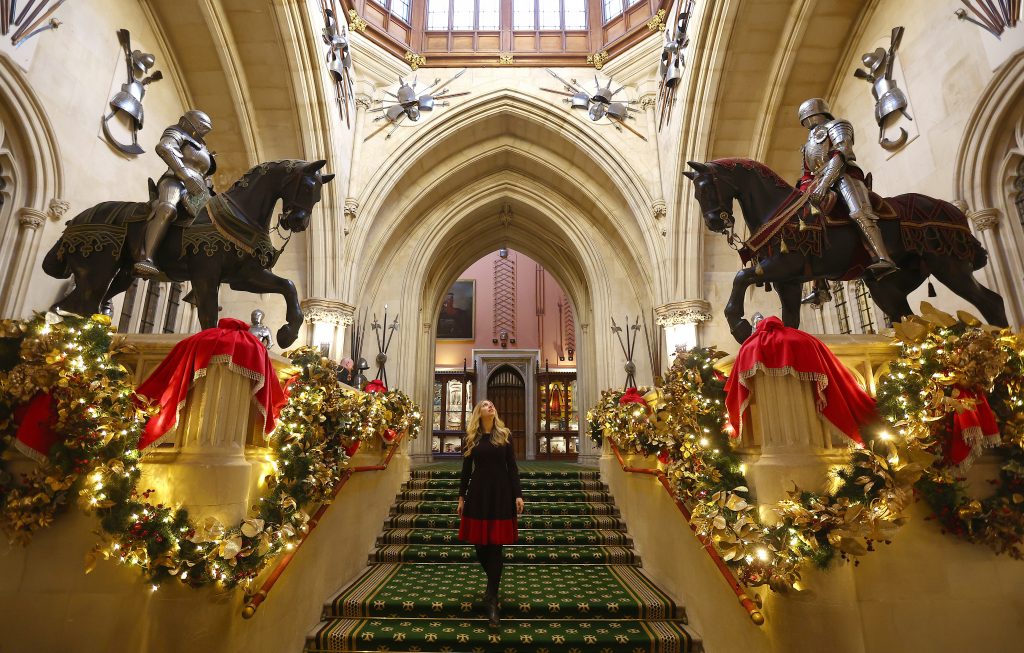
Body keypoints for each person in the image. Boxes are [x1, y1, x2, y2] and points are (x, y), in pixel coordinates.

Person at [796, 98, 897, 306]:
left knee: (858, 211)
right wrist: (803, 194)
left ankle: (883, 257)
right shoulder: (807, 145)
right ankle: (820, 286)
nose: (806, 122)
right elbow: (806, 174)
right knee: (809, 225)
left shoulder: (838, 125)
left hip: (844, 175)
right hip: (818, 183)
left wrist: (824, 184)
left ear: (815, 114)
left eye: (806, 118)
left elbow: (841, 154)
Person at [457, 400, 524, 628]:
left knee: (496, 545)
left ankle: (492, 598)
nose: (491, 406)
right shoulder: (471, 438)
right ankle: (491, 588)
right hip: (478, 493)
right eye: (486, 404)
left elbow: (512, 467)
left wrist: (518, 495)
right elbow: (466, 470)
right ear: (479, 412)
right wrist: (461, 496)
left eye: (492, 404)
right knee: (479, 545)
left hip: (501, 493)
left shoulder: (504, 435)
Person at [132, 109, 215, 278]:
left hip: (199, 191)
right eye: (200, 126)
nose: (202, 130)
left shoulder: (203, 148)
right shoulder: (177, 131)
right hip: (175, 180)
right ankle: (146, 258)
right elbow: (165, 147)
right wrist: (183, 173)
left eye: (205, 128)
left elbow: (204, 173)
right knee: (168, 208)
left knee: (215, 226)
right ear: (188, 122)